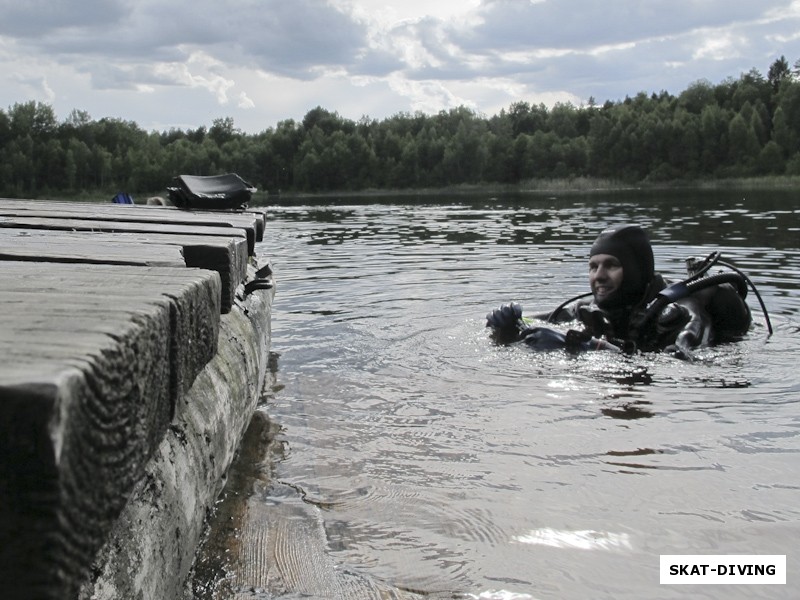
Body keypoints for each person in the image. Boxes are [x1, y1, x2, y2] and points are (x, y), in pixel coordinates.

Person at [486, 224, 756, 358]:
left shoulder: (681, 316)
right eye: (592, 267)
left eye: (611, 265)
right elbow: (541, 322)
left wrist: (588, 347)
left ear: (636, 270)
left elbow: (679, 365)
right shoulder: (590, 308)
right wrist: (511, 322)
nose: (598, 276)